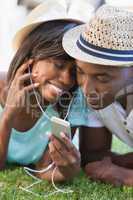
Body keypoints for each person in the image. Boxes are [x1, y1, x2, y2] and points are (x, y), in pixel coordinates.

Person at [0, 0, 93, 182]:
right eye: (58, 65)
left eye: (74, 71)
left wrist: (65, 172)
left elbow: (43, 169)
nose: (67, 80)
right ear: (31, 58)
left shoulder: (73, 99)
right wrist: (8, 115)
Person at [63, 5, 133, 186]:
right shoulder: (98, 99)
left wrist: (122, 175)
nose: (87, 89)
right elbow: (93, 155)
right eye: (80, 72)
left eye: (102, 77)